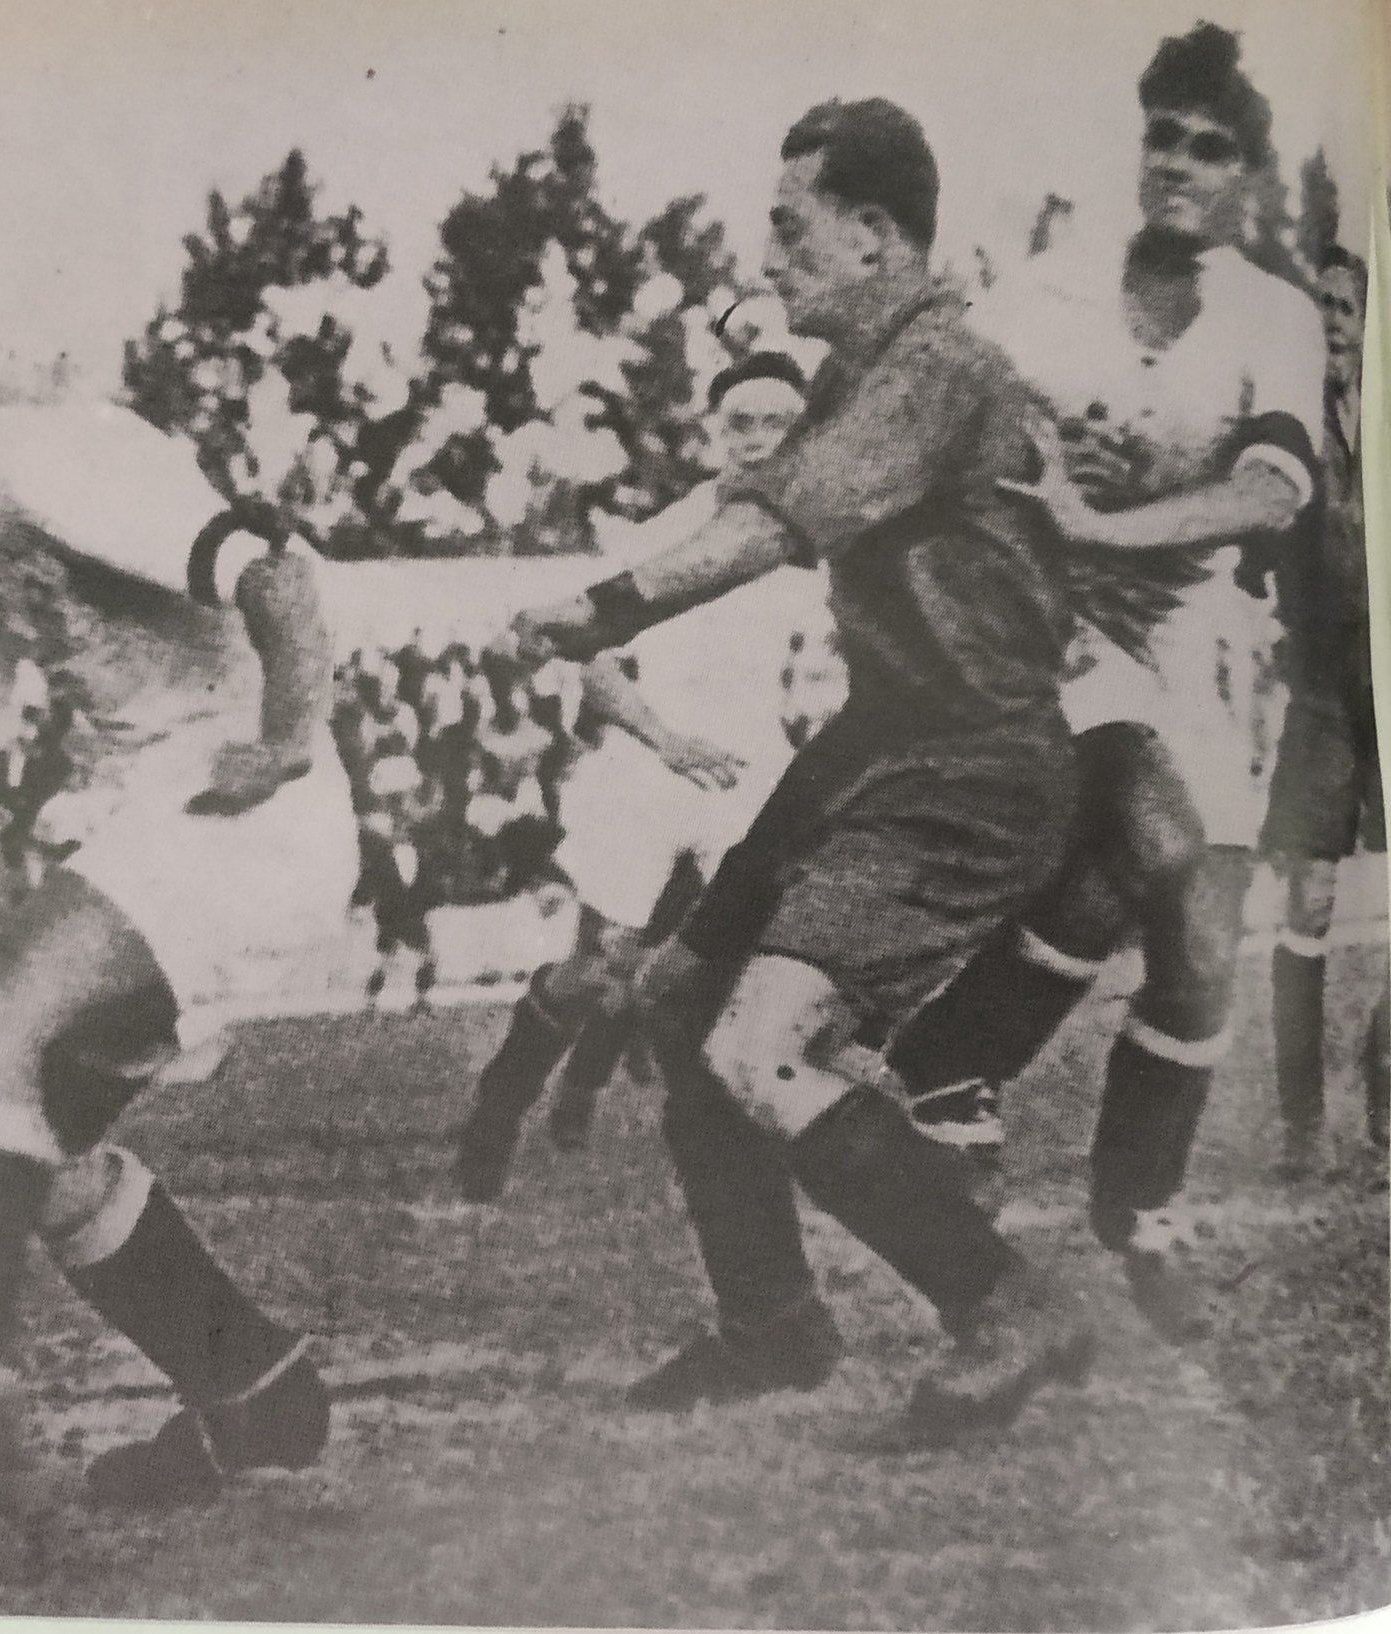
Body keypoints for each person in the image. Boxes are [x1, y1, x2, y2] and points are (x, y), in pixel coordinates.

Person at [511, 97, 1090, 1433]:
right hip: (874, 742)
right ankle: (770, 1324)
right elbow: (760, 483)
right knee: (675, 998)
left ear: (875, 234)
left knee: (759, 1048)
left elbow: (774, 523)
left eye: (789, 228)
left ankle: (1003, 1299)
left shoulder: (937, 371)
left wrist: (605, 606)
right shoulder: (866, 372)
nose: (766, 255)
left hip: (966, 762)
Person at [0, 407, 359, 1599]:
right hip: (166, 818)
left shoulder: (41, 457)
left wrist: (284, 743)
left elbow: (276, 577)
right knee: (33, 1146)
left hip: (239, 816)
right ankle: (254, 1386)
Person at [884, 24, 1326, 1339]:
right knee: (1161, 841)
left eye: (1210, 148)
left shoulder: (1273, 316)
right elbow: (941, 435)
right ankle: (966, 1071)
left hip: (1187, 625)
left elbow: (1269, 490)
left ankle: (1104, 1182)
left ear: (1246, 176)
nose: (1179, 163)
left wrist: (1106, 524)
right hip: (1048, 617)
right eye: (1163, 137)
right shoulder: (1043, 295)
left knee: (1201, 935)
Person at [453, 353, 808, 1198]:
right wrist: (666, 738)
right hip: (652, 769)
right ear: (715, 431)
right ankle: (503, 1099)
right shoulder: (664, 536)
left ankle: (733, 1163)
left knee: (749, 976)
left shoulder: (820, 542)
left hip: (755, 777)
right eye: (741, 422)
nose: (758, 439)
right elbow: (594, 661)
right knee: (603, 971)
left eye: (778, 423)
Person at [1260, 245, 1384, 1175]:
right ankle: (1302, 1124)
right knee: (1307, 898)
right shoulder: (1286, 425)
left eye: (1347, 307)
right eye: (1321, 310)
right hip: (1318, 682)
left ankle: (1386, 1095)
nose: (1334, 324)